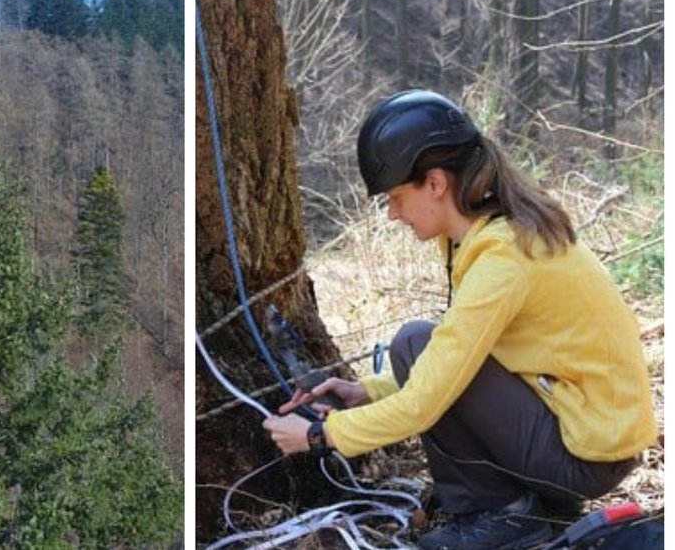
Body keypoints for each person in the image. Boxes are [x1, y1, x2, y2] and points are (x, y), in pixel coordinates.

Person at [261, 90, 657, 550]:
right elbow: (458, 355)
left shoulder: (503, 258)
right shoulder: (492, 234)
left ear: (434, 183)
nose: (391, 214)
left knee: (415, 343)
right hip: (578, 432)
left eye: (394, 198)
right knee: (415, 345)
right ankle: (526, 508)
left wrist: (318, 435)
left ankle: (504, 518)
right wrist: (364, 391)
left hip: (587, 457)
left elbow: (425, 402)